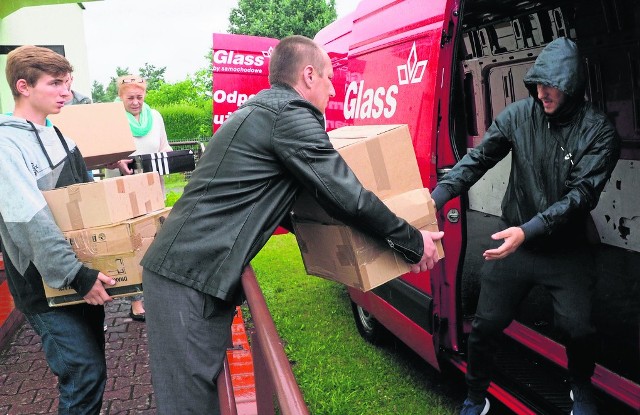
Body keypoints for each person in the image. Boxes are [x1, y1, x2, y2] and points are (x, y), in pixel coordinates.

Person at [140, 35, 444, 414]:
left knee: (203, 397)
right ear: (309, 75)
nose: (334, 91)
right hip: (186, 277)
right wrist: (412, 242)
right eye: (331, 79)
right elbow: (347, 195)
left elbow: (303, 203)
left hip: (188, 272)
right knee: (189, 406)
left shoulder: (262, 110)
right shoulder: (290, 115)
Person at [430, 38, 620, 415]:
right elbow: (478, 159)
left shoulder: (599, 132)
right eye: (537, 83)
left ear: (573, 85)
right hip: (512, 241)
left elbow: (580, 196)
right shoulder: (520, 116)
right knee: (485, 325)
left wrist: (528, 230)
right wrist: (433, 199)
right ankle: (475, 395)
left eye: (551, 85)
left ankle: (580, 385)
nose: (541, 92)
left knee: (578, 329)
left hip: (565, 247)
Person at [0, 45, 116, 414]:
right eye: (55, 83)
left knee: (92, 373)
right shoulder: (6, 143)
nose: (66, 92)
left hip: (81, 277)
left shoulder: (63, 136)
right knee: (83, 373)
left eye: (68, 83)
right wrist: (74, 273)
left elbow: (88, 202)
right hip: (43, 284)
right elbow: (27, 218)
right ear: (23, 86)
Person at [106, 74, 172, 322]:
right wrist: (117, 160)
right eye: (130, 98)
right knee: (131, 241)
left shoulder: (154, 117)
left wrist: (173, 160)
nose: (135, 102)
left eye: (139, 97)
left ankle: (156, 292)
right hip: (123, 187)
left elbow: (164, 147)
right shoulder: (111, 117)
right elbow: (105, 151)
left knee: (155, 237)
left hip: (153, 185)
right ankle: (135, 299)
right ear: (121, 96)